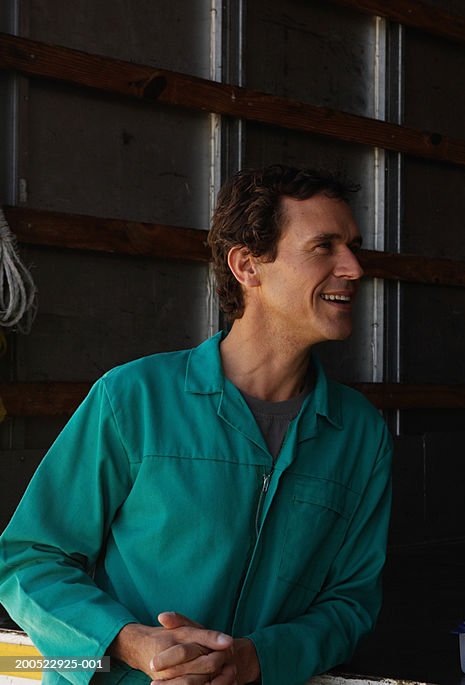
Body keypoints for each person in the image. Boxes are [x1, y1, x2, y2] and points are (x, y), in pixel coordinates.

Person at [0, 165, 393, 685]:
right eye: (324, 246)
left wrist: (257, 658)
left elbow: (351, 600)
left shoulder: (361, 435)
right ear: (247, 266)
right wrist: (131, 641)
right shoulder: (133, 398)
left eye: (353, 246)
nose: (354, 267)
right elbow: (30, 556)